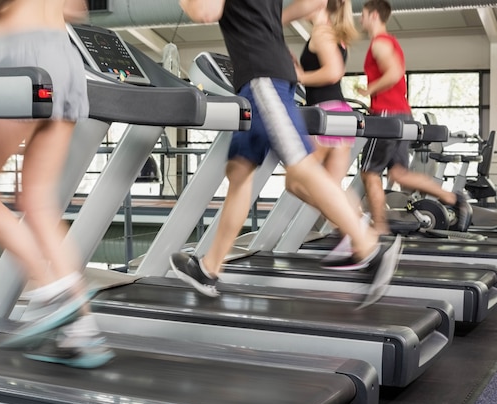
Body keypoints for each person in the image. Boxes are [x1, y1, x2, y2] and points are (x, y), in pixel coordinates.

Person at [171, 0, 402, 309]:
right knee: (239, 172)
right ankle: (209, 268)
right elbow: (315, 1)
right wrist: (269, 20)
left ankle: (369, 247)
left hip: (262, 75)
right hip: (260, 76)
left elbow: (205, 12)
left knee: (301, 167)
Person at [0, 0, 114, 368]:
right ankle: (83, 329)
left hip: (20, 55)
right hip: (65, 56)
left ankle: (51, 292)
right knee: (38, 201)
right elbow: (76, 9)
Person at [357, 0, 472, 235]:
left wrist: (370, 90)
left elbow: (394, 72)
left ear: (372, 15)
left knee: (369, 172)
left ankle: (379, 227)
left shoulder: (380, 42)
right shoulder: (391, 42)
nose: (360, 19)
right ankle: (454, 199)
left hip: (387, 117)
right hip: (401, 114)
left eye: (363, 14)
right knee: (400, 175)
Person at [284, 0, 365, 256]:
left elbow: (333, 72)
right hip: (338, 114)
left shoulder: (322, 31)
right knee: (331, 186)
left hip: (325, 115)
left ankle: (353, 227)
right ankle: (355, 227)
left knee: (295, 182)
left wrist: (300, 77)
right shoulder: (334, 33)